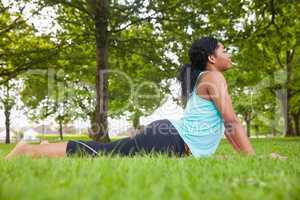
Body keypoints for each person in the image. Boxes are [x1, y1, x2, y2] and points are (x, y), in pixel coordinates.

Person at [5, 36, 255, 160]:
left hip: (170, 139)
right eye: (224, 50)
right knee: (102, 154)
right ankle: (27, 150)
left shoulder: (207, 79)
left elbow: (226, 127)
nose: (228, 54)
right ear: (212, 58)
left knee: (105, 152)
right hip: (168, 139)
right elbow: (231, 121)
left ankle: (46, 149)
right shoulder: (213, 78)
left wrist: (244, 156)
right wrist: (253, 159)